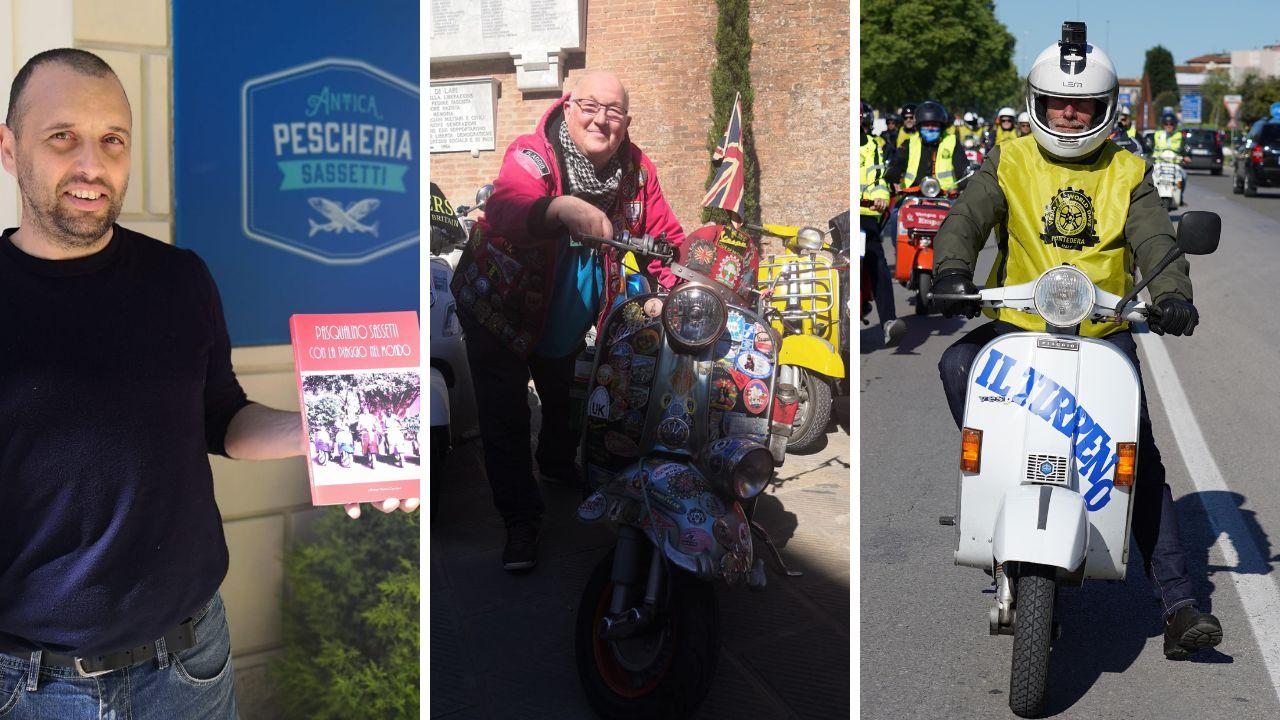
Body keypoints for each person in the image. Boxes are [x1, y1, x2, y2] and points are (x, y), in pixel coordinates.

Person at [0, 49, 416, 718]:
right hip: (31, 687)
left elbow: (220, 417)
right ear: (9, 148)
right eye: (62, 138)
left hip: (189, 667)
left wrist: (328, 435)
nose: (91, 164)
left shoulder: (179, 279)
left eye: (112, 140)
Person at [930, 24, 1222, 660]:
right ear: (1037, 102)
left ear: (1103, 109)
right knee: (957, 365)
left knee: (1137, 454)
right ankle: (996, 491)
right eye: (1059, 102)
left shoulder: (1128, 169)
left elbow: (1155, 239)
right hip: (1018, 328)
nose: (1069, 113)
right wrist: (951, 270)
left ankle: (1178, 603)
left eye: (1083, 104)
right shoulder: (1009, 157)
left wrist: (1172, 293)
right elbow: (967, 215)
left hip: (1103, 334)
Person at [451, 70, 685, 572]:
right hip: (498, 308)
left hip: (561, 319)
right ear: (569, 104)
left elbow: (665, 241)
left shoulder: (638, 171)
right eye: (591, 107)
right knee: (506, 417)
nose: (602, 119)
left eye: (615, 111)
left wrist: (690, 286)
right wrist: (558, 206)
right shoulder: (532, 153)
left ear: (627, 120)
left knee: (563, 398)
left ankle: (556, 466)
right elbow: (506, 206)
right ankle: (521, 521)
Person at [860, 101, 905, 347]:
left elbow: (879, 179)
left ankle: (888, 321)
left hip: (865, 213)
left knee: (877, 260)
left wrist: (880, 197)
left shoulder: (873, 148)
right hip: (841, 217)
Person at [884, 99, 969, 192]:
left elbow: (963, 171)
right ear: (919, 127)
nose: (930, 128)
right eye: (926, 125)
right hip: (912, 195)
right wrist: (892, 177)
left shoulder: (952, 142)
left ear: (942, 126)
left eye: (934, 125)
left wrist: (962, 188)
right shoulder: (909, 143)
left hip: (946, 197)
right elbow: (896, 164)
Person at [1152, 111, 1188, 191]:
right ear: (1163, 124)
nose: (1168, 126)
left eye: (1171, 124)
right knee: (1150, 177)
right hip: (1158, 163)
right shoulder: (1157, 135)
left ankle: (1180, 196)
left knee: (1184, 175)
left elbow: (1185, 149)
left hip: (1174, 163)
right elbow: (1149, 148)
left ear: (1175, 124)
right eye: (1166, 123)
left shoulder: (1180, 135)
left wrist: (1187, 156)